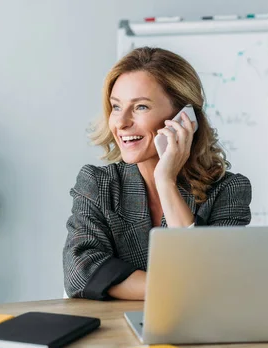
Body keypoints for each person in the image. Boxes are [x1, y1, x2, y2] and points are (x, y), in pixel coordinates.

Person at [63, 47, 252, 301]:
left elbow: (218, 280)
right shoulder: (98, 184)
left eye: (140, 107)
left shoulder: (229, 191)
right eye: (116, 107)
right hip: (116, 332)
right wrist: (179, 288)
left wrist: (166, 182)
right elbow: (80, 271)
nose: (121, 122)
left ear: (184, 118)